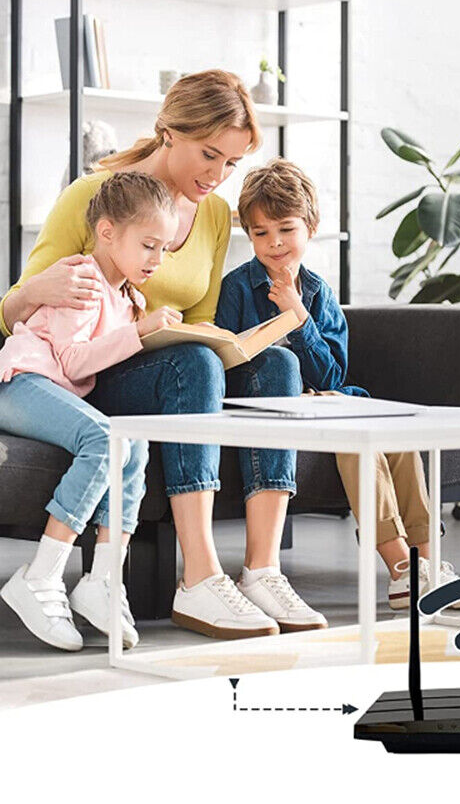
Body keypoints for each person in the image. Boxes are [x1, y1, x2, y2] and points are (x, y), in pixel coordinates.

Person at [0, 70, 301, 640]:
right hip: (89, 367)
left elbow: (202, 316)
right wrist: (36, 291)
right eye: (209, 156)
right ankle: (200, 576)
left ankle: (262, 569)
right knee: (195, 364)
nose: (217, 177)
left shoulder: (212, 213)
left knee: (279, 365)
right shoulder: (95, 197)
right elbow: (18, 314)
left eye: (231, 164)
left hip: (168, 357)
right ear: (169, 131)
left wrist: (225, 339)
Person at [215, 159, 460, 611]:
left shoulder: (319, 295)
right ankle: (400, 565)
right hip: (269, 413)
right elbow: (230, 362)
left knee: (381, 425)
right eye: (260, 233)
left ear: (311, 226)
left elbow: (332, 377)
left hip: (322, 404)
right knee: (349, 429)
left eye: (285, 228)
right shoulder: (237, 290)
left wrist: (299, 316)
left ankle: (424, 560)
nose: (274, 243)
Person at [0, 173, 180, 651]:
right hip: (22, 381)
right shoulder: (82, 279)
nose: (156, 260)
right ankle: (41, 575)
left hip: (56, 390)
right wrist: (140, 335)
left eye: (164, 249)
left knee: (132, 439)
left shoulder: (125, 297)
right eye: (148, 246)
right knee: (104, 439)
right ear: (106, 233)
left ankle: (103, 579)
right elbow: (72, 360)